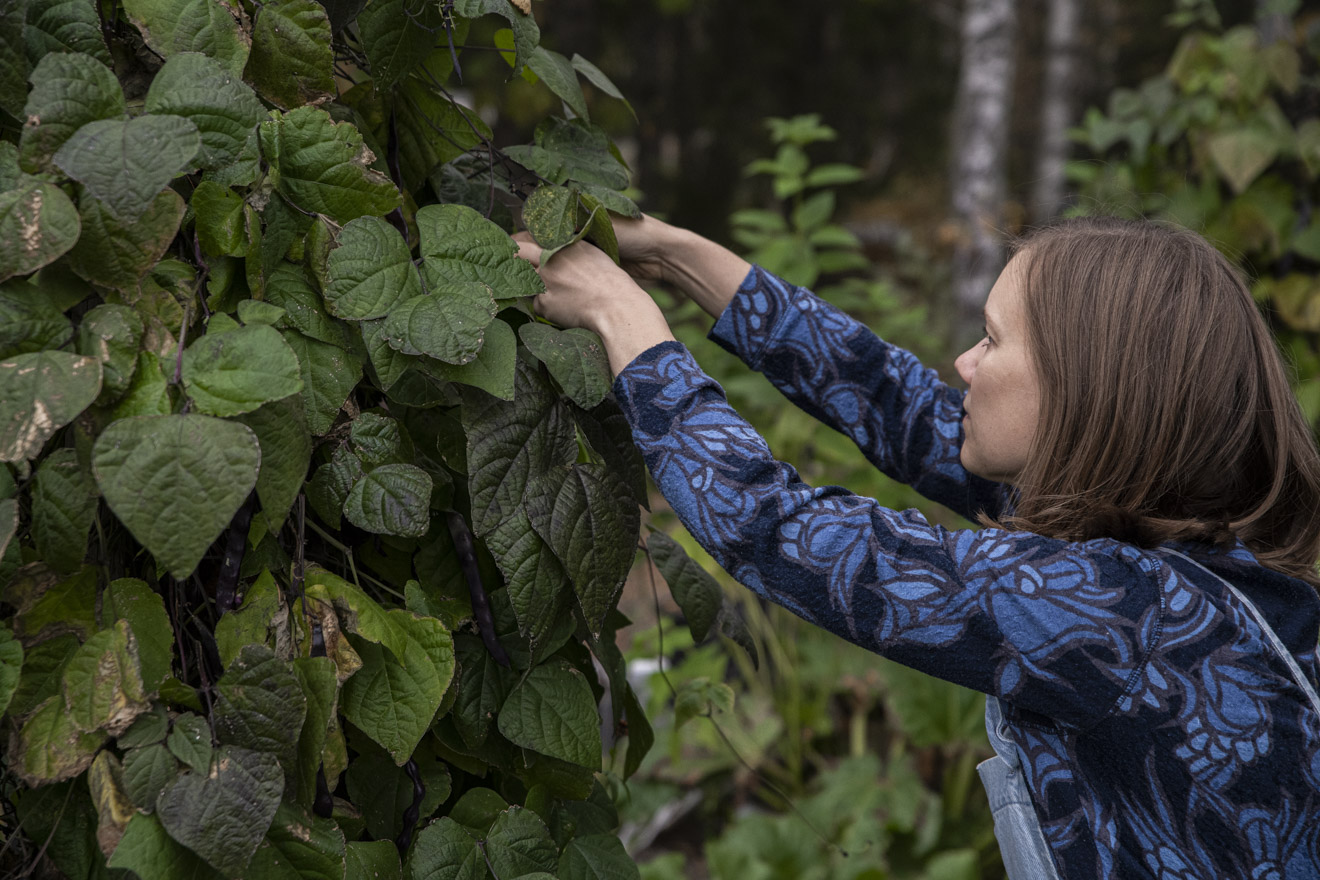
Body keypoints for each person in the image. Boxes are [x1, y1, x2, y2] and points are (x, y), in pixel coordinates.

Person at [514, 214, 1320, 879]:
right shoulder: (1197, 553)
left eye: (992, 341)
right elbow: (894, 402)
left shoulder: (1124, 617)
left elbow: (778, 530)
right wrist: (675, 254)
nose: (964, 362)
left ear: (1089, 394)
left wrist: (619, 315)